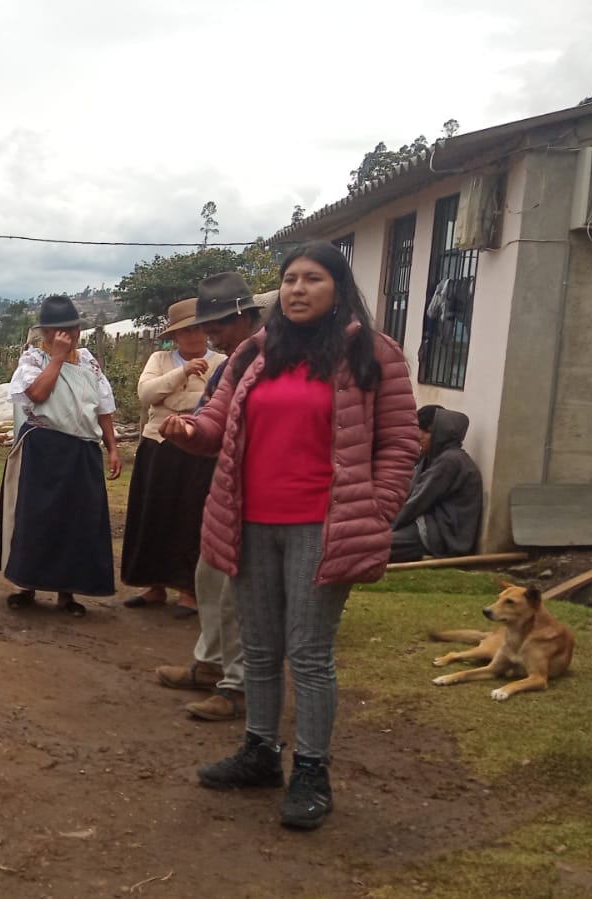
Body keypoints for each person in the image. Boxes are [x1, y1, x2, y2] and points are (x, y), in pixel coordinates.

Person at [161, 241, 419, 831]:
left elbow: (401, 443)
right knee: (257, 647)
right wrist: (189, 430)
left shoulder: (372, 354)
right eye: (291, 279)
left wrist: (375, 510)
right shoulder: (257, 351)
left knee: (308, 652)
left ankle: (311, 770)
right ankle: (259, 752)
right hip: (250, 522)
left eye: (313, 279)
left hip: (322, 526)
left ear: (339, 288)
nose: (299, 289)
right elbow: (217, 420)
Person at [154, 273, 265, 722]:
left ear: (243, 316)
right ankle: (210, 664)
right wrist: (191, 428)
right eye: (206, 327)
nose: (210, 336)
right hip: (228, 483)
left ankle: (238, 687)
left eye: (216, 326)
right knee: (210, 574)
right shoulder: (233, 364)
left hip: (264, 489)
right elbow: (212, 415)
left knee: (240, 590)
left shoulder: (275, 358)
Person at [0, 295, 121, 615]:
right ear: (45, 333)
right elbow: (36, 394)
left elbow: (103, 408)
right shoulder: (34, 360)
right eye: (56, 331)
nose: (65, 336)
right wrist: (58, 358)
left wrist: (113, 448)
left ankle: (67, 593)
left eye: (70, 330)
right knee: (37, 519)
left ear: (78, 330)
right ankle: (26, 585)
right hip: (44, 449)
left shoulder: (88, 362)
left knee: (77, 521)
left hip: (82, 451)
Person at [121, 297, 224, 618]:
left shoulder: (222, 362)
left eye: (198, 329)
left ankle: (188, 590)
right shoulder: (161, 359)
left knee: (191, 516)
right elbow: (146, 395)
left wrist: (173, 399)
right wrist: (182, 374)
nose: (193, 336)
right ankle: (154, 585)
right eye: (185, 331)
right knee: (154, 514)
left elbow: (217, 402)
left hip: (201, 449)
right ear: (175, 336)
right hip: (159, 446)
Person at [391, 405, 482, 562]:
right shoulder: (432, 456)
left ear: (439, 434)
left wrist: (388, 526)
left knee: (373, 545)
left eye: (425, 432)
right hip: (425, 525)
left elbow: (418, 501)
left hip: (440, 536)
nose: (419, 436)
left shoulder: (450, 461)